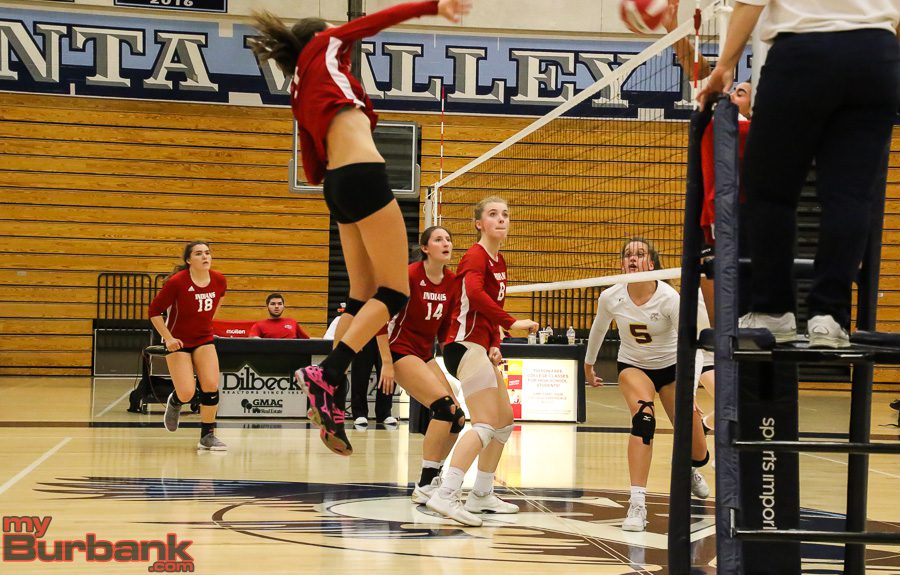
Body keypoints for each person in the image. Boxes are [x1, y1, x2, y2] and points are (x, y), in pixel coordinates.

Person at [249, 0, 472, 456]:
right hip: (363, 176)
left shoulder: (301, 89)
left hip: (336, 187)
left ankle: (328, 396)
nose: (343, 38)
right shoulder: (326, 46)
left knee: (360, 295)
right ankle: (328, 373)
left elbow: (312, 166)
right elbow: (371, 22)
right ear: (320, 37)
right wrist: (433, 6)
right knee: (395, 293)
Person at [698, 0, 900, 348]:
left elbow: (750, 3)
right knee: (850, 196)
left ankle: (773, 310)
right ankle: (830, 318)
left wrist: (725, 66)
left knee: (768, 192)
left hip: (803, 53)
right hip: (876, 55)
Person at [584, 238, 713, 532]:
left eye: (640, 254)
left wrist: (689, 390)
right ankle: (637, 504)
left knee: (699, 452)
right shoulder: (611, 297)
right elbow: (599, 328)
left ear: (651, 264)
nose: (633, 258)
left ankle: (690, 468)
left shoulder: (669, 299)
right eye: (628, 254)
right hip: (634, 366)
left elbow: (693, 348)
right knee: (644, 420)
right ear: (622, 264)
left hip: (673, 369)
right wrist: (588, 365)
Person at [426, 197, 539, 527]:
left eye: (505, 214)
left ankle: (482, 493)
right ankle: (446, 493)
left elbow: (487, 310)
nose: (501, 219)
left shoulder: (499, 260)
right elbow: (475, 295)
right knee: (486, 423)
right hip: (462, 345)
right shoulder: (475, 256)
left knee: (503, 422)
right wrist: (511, 322)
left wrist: (494, 343)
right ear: (479, 224)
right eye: (493, 214)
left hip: (479, 346)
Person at [385, 226, 465, 503]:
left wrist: (459, 362)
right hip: (398, 350)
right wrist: (385, 363)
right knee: (443, 407)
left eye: (448, 239)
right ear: (425, 248)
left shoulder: (453, 282)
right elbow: (380, 321)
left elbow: (444, 331)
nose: (446, 243)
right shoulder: (409, 275)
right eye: (438, 239)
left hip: (425, 353)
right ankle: (425, 483)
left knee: (457, 417)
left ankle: (434, 476)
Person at [148, 241, 227, 451]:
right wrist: (168, 338)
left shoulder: (219, 280)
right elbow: (154, 312)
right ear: (188, 260)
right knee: (187, 393)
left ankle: (207, 436)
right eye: (199, 253)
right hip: (178, 341)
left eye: (207, 253)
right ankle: (175, 401)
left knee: (211, 385)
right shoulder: (177, 282)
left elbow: (218, 301)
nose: (205, 257)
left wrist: (206, 325)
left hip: (204, 339)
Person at [350, 332, 397, 428]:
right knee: (360, 373)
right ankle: (359, 413)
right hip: (365, 333)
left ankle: (385, 413)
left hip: (386, 334)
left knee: (387, 372)